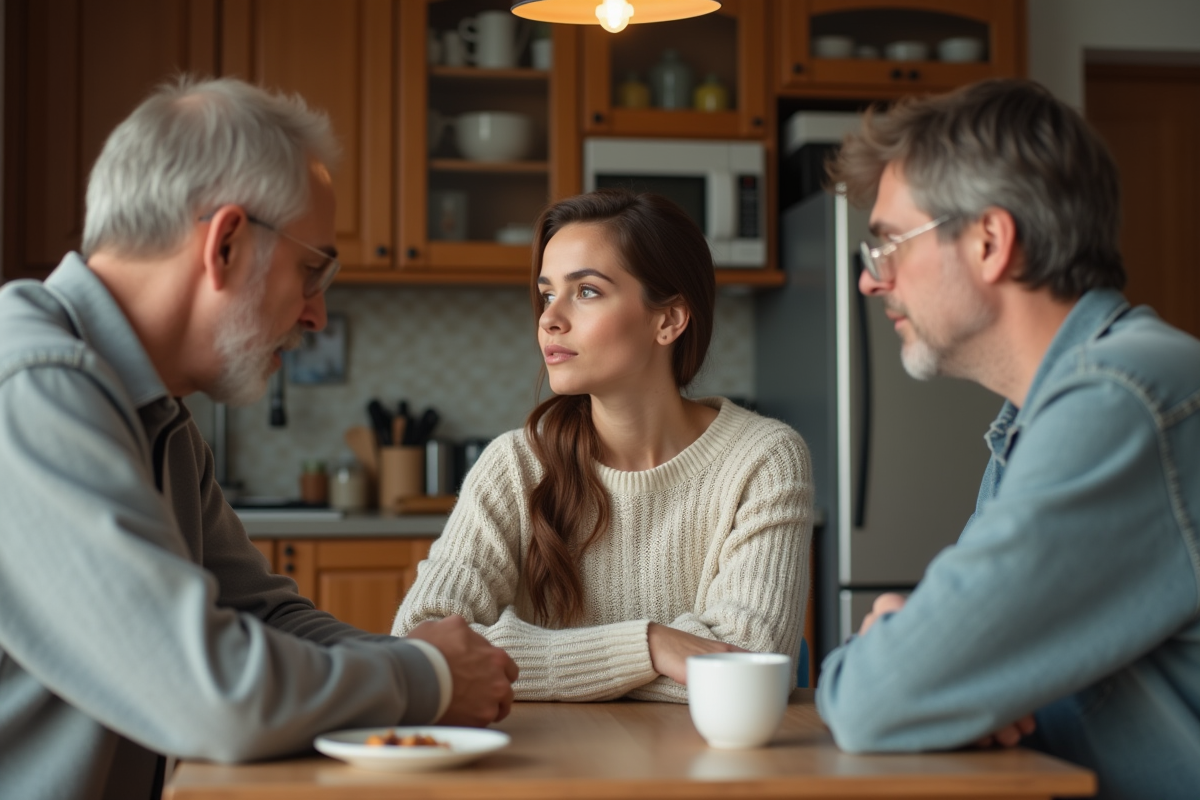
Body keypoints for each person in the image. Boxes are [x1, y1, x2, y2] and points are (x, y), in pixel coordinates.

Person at [0, 76, 517, 800]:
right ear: (227, 243)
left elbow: (265, 614)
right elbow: (211, 695)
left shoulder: (157, 415)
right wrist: (425, 676)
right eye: (313, 270)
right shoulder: (30, 387)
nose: (317, 316)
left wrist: (414, 659)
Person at [814, 78, 1200, 799]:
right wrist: (946, 676)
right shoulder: (1037, 417)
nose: (873, 283)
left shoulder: (1118, 401)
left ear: (990, 241)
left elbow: (881, 695)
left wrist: (900, 659)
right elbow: (942, 667)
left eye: (890, 244)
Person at [392, 189, 813, 702]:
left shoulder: (763, 460)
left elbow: (743, 665)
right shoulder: (514, 466)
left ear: (669, 320)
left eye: (586, 291)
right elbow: (420, 643)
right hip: (543, 775)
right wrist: (651, 645)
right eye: (547, 294)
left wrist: (525, 659)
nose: (550, 318)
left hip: (699, 777)